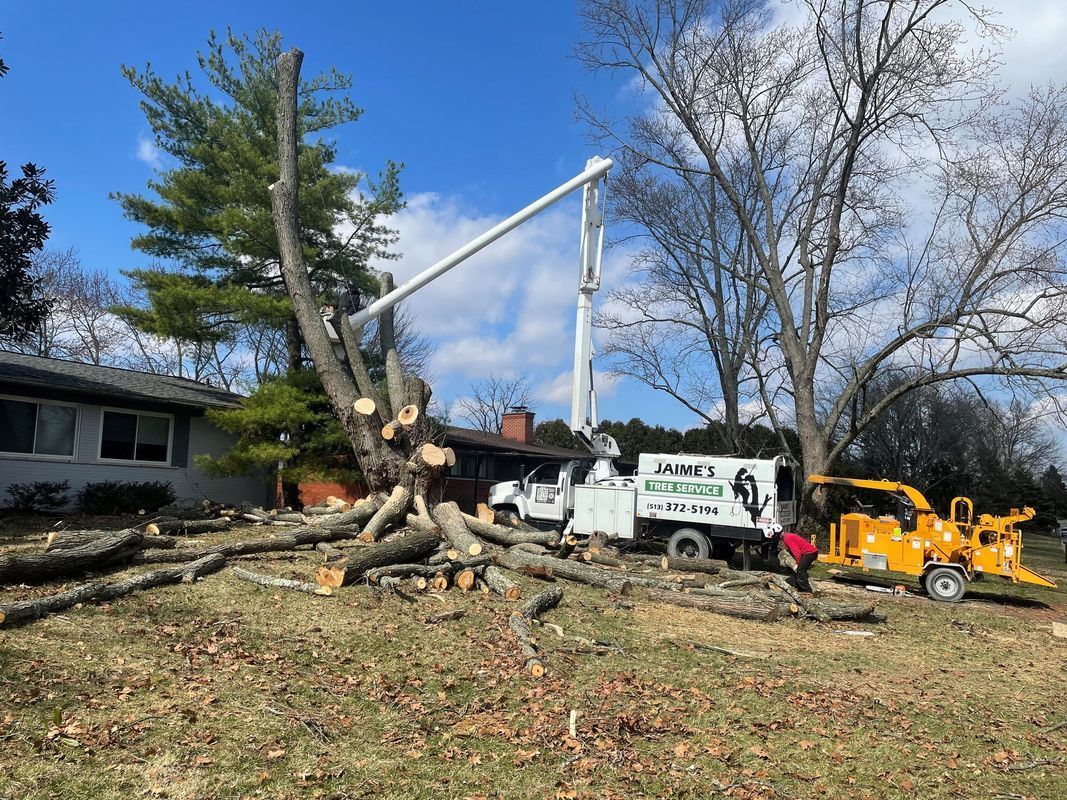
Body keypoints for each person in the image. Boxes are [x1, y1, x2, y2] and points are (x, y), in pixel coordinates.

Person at [768, 523, 819, 593]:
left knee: (800, 570)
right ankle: (796, 587)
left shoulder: (787, 538)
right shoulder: (787, 536)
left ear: (776, 534)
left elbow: (796, 552)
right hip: (810, 553)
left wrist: (797, 563)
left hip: (810, 553)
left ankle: (807, 591)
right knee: (797, 573)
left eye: (774, 535)